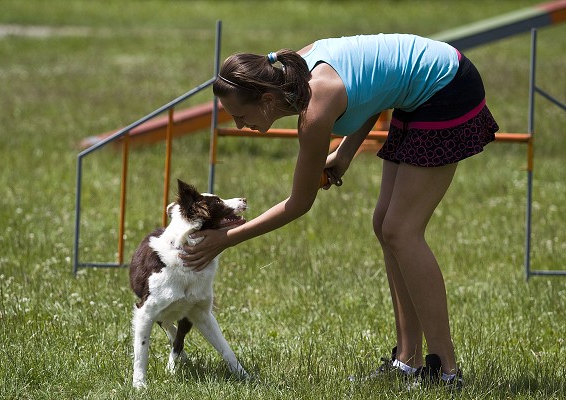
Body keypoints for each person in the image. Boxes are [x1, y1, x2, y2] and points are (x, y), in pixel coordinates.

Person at [181, 33, 499, 388]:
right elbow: (377, 84)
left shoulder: (314, 110)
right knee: (385, 224)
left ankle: (447, 372)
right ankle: (408, 361)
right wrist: (346, 152)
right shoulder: (292, 71)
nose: (239, 125)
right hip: (420, 88)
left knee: (402, 230)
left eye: (240, 115)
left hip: (447, 87)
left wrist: (226, 238)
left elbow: (299, 204)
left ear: (268, 100)